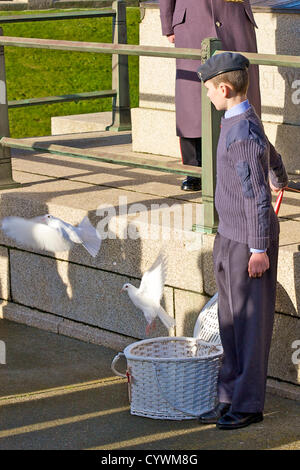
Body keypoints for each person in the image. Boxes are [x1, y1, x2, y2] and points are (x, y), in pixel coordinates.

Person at [196, 52, 288, 430]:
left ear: (224, 88)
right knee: (230, 320)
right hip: (230, 234)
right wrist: (280, 176)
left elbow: (256, 197)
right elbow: (272, 155)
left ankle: (248, 404)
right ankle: (229, 395)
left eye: (208, 91)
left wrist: (259, 248)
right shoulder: (241, 120)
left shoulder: (243, 131)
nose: (207, 98)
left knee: (249, 325)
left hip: (248, 242)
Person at [158, 0, 261, 191]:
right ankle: (195, 169)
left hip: (235, 18)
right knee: (191, 98)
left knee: (240, 89)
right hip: (191, 20)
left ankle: (244, 163)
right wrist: (167, 22)